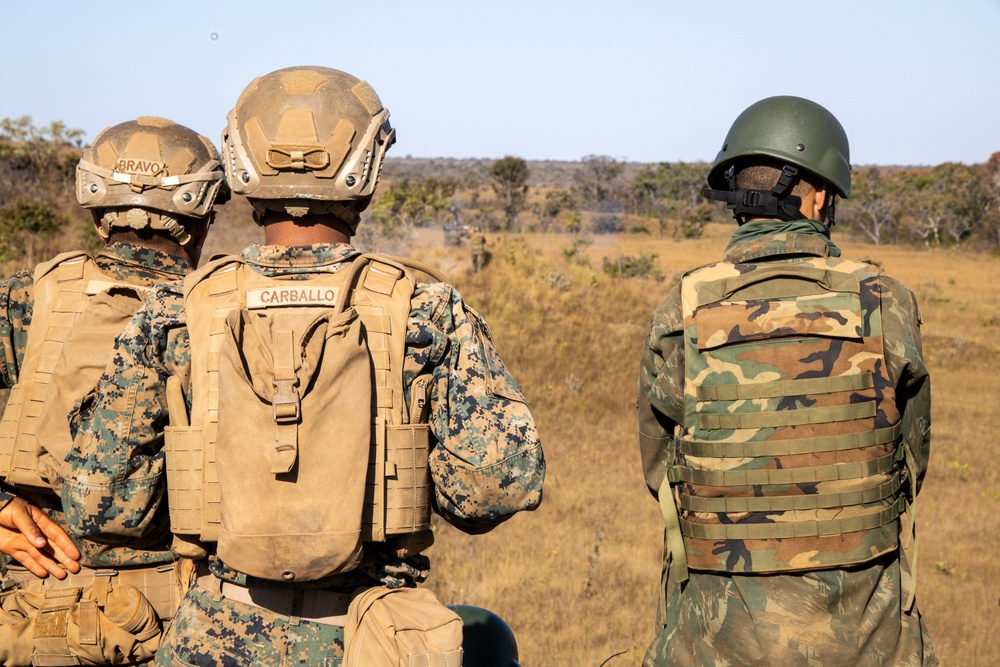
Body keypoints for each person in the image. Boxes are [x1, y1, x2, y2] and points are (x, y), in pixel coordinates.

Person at [61, 66, 545, 666]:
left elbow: (103, 503)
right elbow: (496, 489)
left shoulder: (178, 310)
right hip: (373, 636)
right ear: (367, 168)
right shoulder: (425, 307)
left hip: (212, 635)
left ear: (241, 167)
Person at [637, 96, 936, 665]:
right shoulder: (885, 303)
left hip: (713, 642)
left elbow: (660, 471)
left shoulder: (681, 307)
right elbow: (912, 463)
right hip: (868, 641)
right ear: (819, 194)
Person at [0, 117, 227, 665]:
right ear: (200, 220)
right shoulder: (223, 311)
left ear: (98, 216)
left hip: (27, 609)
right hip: (181, 619)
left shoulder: (24, 299)